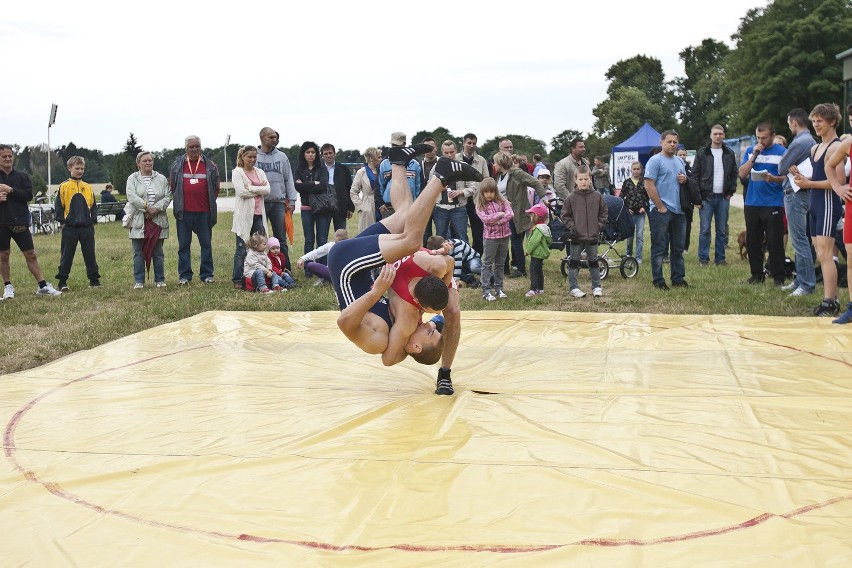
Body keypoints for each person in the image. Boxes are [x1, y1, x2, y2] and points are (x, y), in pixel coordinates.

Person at [327, 145, 480, 376]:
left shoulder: (378, 340)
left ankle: (440, 176)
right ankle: (398, 161)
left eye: (430, 331)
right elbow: (438, 314)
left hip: (346, 265)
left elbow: (344, 323)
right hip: (359, 265)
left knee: (410, 240)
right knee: (405, 214)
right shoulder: (409, 324)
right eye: (433, 327)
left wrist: (376, 292)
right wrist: (442, 258)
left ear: (416, 346)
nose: (428, 324)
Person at [791, 103, 845, 317]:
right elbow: (822, 177)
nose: (815, 125)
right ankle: (830, 298)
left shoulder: (835, 147)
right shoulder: (815, 148)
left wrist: (809, 184)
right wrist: (805, 179)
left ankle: (830, 301)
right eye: (813, 121)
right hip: (815, 204)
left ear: (832, 121)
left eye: (819, 121)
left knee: (825, 253)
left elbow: (838, 182)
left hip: (828, 204)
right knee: (820, 253)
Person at [0, 144, 61, 299]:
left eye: (10, 155)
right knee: (3, 255)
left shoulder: (22, 176)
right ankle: (8, 287)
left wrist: (11, 190)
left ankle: (42, 286)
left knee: (31, 254)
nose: (8, 159)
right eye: (4, 156)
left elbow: (28, 195)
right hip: (1, 223)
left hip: (20, 222)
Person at [770, 109, 817, 297]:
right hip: (803, 192)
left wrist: (786, 164)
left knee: (799, 241)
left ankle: (805, 284)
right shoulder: (811, 141)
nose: (789, 126)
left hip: (795, 193)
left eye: (789, 123)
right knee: (801, 240)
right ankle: (800, 280)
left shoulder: (800, 142)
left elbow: (781, 167)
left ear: (794, 123)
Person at [737, 122, 787, 286]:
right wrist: (754, 156)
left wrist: (774, 179)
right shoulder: (752, 150)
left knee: (775, 242)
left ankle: (778, 277)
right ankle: (756, 275)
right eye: (758, 137)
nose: (760, 141)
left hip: (773, 203)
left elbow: (788, 178)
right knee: (753, 240)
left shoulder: (782, 152)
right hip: (752, 202)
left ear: (772, 135)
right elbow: (742, 174)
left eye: (764, 138)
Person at [169, 135, 220, 285]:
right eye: (191, 147)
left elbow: (216, 187)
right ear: (185, 148)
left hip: (204, 212)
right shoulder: (177, 165)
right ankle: (184, 276)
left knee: (206, 244)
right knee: (184, 245)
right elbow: (173, 186)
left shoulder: (210, 165)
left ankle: (207, 274)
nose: (194, 149)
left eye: (197, 146)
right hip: (183, 213)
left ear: (200, 147)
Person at [645, 130, 690, 290]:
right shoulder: (654, 161)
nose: (672, 144)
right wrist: (660, 207)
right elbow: (648, 184)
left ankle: (678, 278)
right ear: (661, 142)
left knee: (678, 248)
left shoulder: (679, 161)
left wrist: (685, 179)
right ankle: (658, 281)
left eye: (675, 142)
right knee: (659, 247)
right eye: (669, 141)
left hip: (679, 211)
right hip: (661, 210)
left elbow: (683, 183)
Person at [491, 151, 546, 278]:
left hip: (516, 212)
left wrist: (543, 198)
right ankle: (505, 268)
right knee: (503, 240)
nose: (494, 164)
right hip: (502, 213)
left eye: (495, 162)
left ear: (500, 162)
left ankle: (521, 269)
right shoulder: (498, 176)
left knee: (516, 241)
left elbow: (535, 182)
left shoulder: (517, 173)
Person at [692, 125, 738, 267]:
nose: (718, 136)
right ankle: (703, 258)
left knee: (721, 230)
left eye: (720, 133)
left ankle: (720, 259)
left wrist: (731, 191)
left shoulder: (729, 153)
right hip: (706, 197)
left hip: (723, 197)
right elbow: (695, 175)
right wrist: (697, 198)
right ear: (710, 136)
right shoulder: (702, 153)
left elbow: (734, 173)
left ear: (724, 135)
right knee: (705, 229)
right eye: (715, 134)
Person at [125, 151, 171, 288]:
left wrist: (155, 209)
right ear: (138, 163)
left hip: (157, 219)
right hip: (139, 219)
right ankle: (139, 281)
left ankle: (160, 280)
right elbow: (131, 196)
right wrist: (146, 207)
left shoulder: (161, 178)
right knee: (138, 252)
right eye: (144, 160)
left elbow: (168, 196)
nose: (148, 162)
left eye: (150, 160)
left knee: (158, 252)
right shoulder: (132, 178)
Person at [54, 156, 100, 290]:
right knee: (67, 255)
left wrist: (92, 220)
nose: (80, 171)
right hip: (70, 228)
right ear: (69, 168)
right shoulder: (64, 186)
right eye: (77, 168)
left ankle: (94, 279)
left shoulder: (88, 187)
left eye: (82, 169)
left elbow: (93, 206)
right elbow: (59, 206)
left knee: (90, 254)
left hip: (86, 227)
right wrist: (62, 222)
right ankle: (62, 281)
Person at [824, 103, 852, 324]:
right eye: (851, 120)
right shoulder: (848, 142)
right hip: (851, 207)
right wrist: (838, 187)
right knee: (851, 259)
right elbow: (829, 166)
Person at [256, 127, 297, 270]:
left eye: (275, 137)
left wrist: (291, 200)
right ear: (262, 138)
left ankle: (285, 268)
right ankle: (261, 268)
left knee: (281, 239)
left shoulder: (282, 156)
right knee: (259, 239)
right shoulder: (254, 156)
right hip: (260, 203)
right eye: (271, 137)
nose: (275, 139)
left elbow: (289, 179)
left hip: (279, 203)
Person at [562, 165, 607, 298]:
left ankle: (597, 286)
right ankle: (574, 288)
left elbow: (604, 213)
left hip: (592, 235)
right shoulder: (571, 198)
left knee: (593, 261)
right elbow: (565, 215)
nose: (583, 182)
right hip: (577, 236)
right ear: (575, 180)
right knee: (574, 261)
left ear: (590, 179)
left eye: (586, 179)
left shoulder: (597, 196)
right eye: (580, 179)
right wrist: (572, 227)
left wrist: (598, 226)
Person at [230, 145, 269, 289]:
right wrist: (259, 189)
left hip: (258, 215)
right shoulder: (237, 172)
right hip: (244, 217)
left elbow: (267, 190)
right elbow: (241, 192)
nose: (252, 159)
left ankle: (260, 275)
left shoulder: (260, 172)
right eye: (249, 157)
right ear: (242, 157)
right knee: (242, 249)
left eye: (254, 157)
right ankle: (238, 279)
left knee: (260, 247)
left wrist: (251, 187)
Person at [294, 141, 332, 277]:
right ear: (303, 154)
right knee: (309, 240)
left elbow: (323, 186)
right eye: (307, 152)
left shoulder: (322, 169)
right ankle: (308, 270)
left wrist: (305, 185)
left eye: (313, 152)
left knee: (322, 240)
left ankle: (322, 269)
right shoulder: (299, 170)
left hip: (322, 208)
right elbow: (298, 187)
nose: (310, 155)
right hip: (306, 208)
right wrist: (312, 183)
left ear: (316, 154)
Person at [475, 176, 514, 301]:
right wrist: (500, 214)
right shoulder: (480, 205)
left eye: (491, 191)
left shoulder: (502, 201)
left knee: (500, 263)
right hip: (490, 238)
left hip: (504, 236)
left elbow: (510, 214)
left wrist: (498, 221)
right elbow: (486, 219)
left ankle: (499, 288)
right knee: (487, 263)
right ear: (482, 192)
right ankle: (486, 290)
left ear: (495, 191)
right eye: (486, 192)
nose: (489, 194)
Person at [432, 140, 473, 243]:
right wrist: (439, 188)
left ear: (456, 151)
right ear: (442, 153)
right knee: (440, 239)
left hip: (459, 208)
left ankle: (464, 258)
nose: (449, 155)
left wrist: (460, 192)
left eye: (451, 152)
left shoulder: (463, 166)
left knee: (462, 238)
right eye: (446, 153)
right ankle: (442, 259)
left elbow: (473, 188)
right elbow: (429, 186)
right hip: (440, 208)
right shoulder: (436, 167)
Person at [321, 143, 354, 232]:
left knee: (341, 235)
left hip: (341, 206)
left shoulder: (343, 169)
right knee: (322, 237)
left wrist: (350, 207)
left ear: (335, 154)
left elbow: (350, 188)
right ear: (322, 156)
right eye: (326, 154)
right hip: (323, 206)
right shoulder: (318, 169)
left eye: (330, 153)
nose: (328, 155)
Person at [621, 161, 649, 264]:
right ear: (631, 170)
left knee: (640, 236)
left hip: (640, 213)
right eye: (634, 169)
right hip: (630, 213)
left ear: (641, 170)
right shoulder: (627, 182)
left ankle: (638, 257)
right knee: (630, 236)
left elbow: (648, 197)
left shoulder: (644, 182)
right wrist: (627, 208)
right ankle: (628, 255)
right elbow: (621, 197)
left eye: (638, 169)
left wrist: (644, 207)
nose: (636, 171)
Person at [523, 202, 552, 297]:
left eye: (531, 214)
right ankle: (540, 288)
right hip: (541, 253)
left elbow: (533, 242)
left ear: (536, 216)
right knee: (539, 271)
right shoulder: (545, 228)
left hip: (536, 253)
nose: (530, 216)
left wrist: (528, 251)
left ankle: (534, 289)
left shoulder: (537, 229)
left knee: (534, 271)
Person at [350, 147, 381, 234]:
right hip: (367, 206)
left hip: (382, 206)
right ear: (371, 158)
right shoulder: (361, 172)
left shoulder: (382, 170)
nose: (381, 159)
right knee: (367, 235)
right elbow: (353, 192)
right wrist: (361, 207)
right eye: (378, 157)